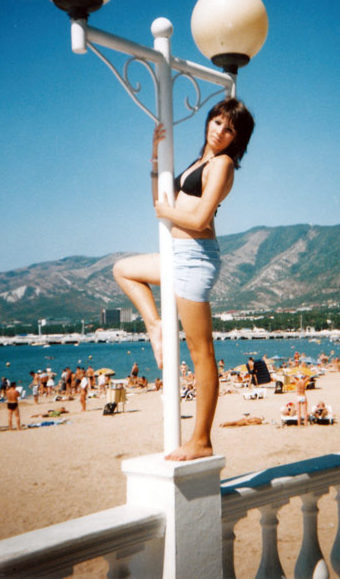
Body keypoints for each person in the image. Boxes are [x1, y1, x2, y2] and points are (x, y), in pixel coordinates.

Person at [113, 97, 255, 461]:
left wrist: (167, 209)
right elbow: (161, 203)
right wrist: (155, 159)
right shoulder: (199, 162)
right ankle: (156, 327)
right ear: (208, 121)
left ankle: (201, 440)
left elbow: (201, 219)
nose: (220, 131)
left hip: (195, 258)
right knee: (123, 269)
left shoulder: (222, 164)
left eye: (230, 129)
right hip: (177, 253)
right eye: (217, 122)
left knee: (201, 353)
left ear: (237, 138)